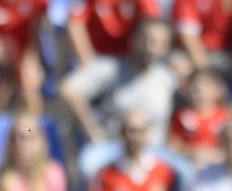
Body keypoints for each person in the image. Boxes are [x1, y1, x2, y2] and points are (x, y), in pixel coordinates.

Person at [59, 16, 185, 150]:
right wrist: (93, 131)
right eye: (147, 40)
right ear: (134, 39)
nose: (151, 48)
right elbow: (68, 89)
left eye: (160, 43)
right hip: (114, 153)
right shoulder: (112, 69)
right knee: (87, 163)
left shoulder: (169, 77)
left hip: (155, 155)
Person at [171, 0, 232, 124]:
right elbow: (189, 39)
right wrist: (208, 78)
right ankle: (182, 129)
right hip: (194, 56)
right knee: (180, 69)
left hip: (227, 56)